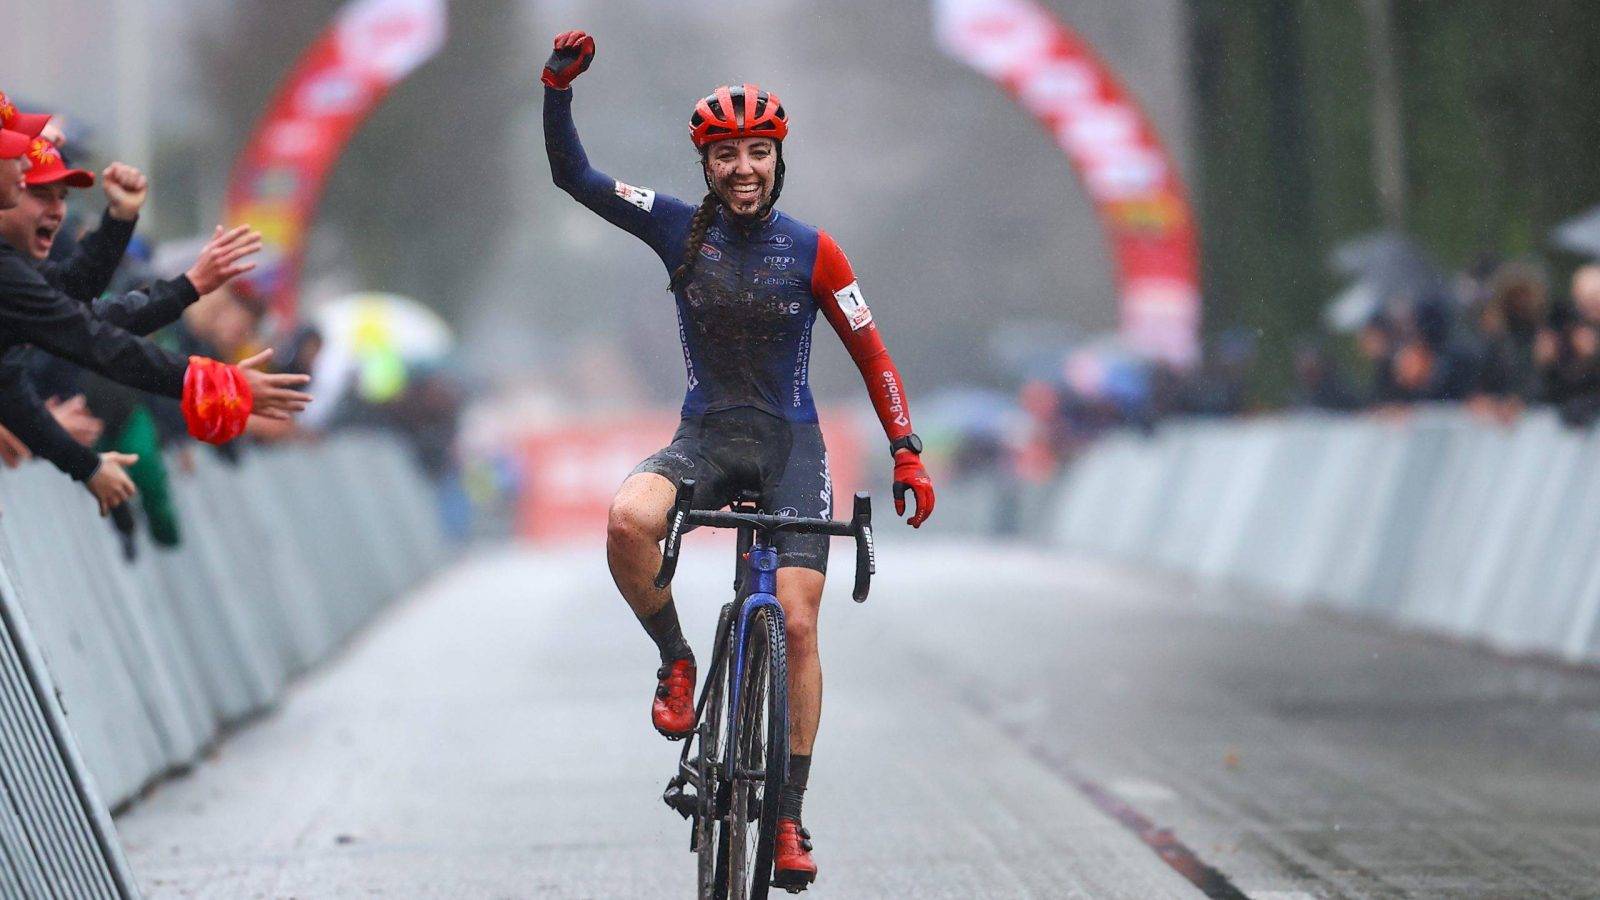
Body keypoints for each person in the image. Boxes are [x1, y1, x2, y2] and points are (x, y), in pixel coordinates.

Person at [542, 30, 935, 890]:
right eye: (727, 154)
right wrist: (558, 92)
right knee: (627, 520)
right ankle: (678, 659)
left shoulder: (816, 251)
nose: (745, 167)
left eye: (759, 151)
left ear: (777, 158)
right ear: (707, 164)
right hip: (706, 438)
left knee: (797, 619)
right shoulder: (675, 226)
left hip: (792, 445)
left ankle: (789, 819)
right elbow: (576, 179)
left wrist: (905, 451)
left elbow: (874, 356)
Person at [0, 115, 310, 490]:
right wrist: (217, 385)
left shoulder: (16, 272)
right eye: (37, 188)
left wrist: (184, 282)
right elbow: (89, 339)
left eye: (62, 196)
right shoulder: (9, 272)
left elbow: (73, 312)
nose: (59, 211)